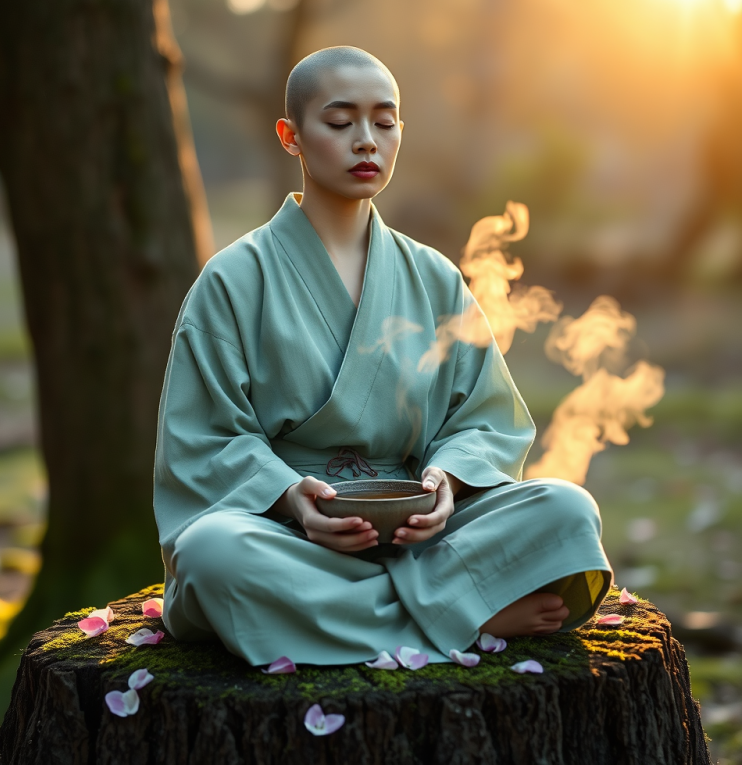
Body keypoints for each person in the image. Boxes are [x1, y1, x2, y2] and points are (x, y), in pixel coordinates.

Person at [153, 46, 612, 666]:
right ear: (291, 136)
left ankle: (364, 617)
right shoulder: (234, 279)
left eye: (385, 122)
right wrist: (294, 498)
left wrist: (445, 483)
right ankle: (466, 612)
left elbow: (483, 418)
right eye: (340, 123)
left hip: (422, 529)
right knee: (213, 555)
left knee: (567, 510)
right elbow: (206, 440)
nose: (366, 141)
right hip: (292, 535)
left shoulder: (433, 276)